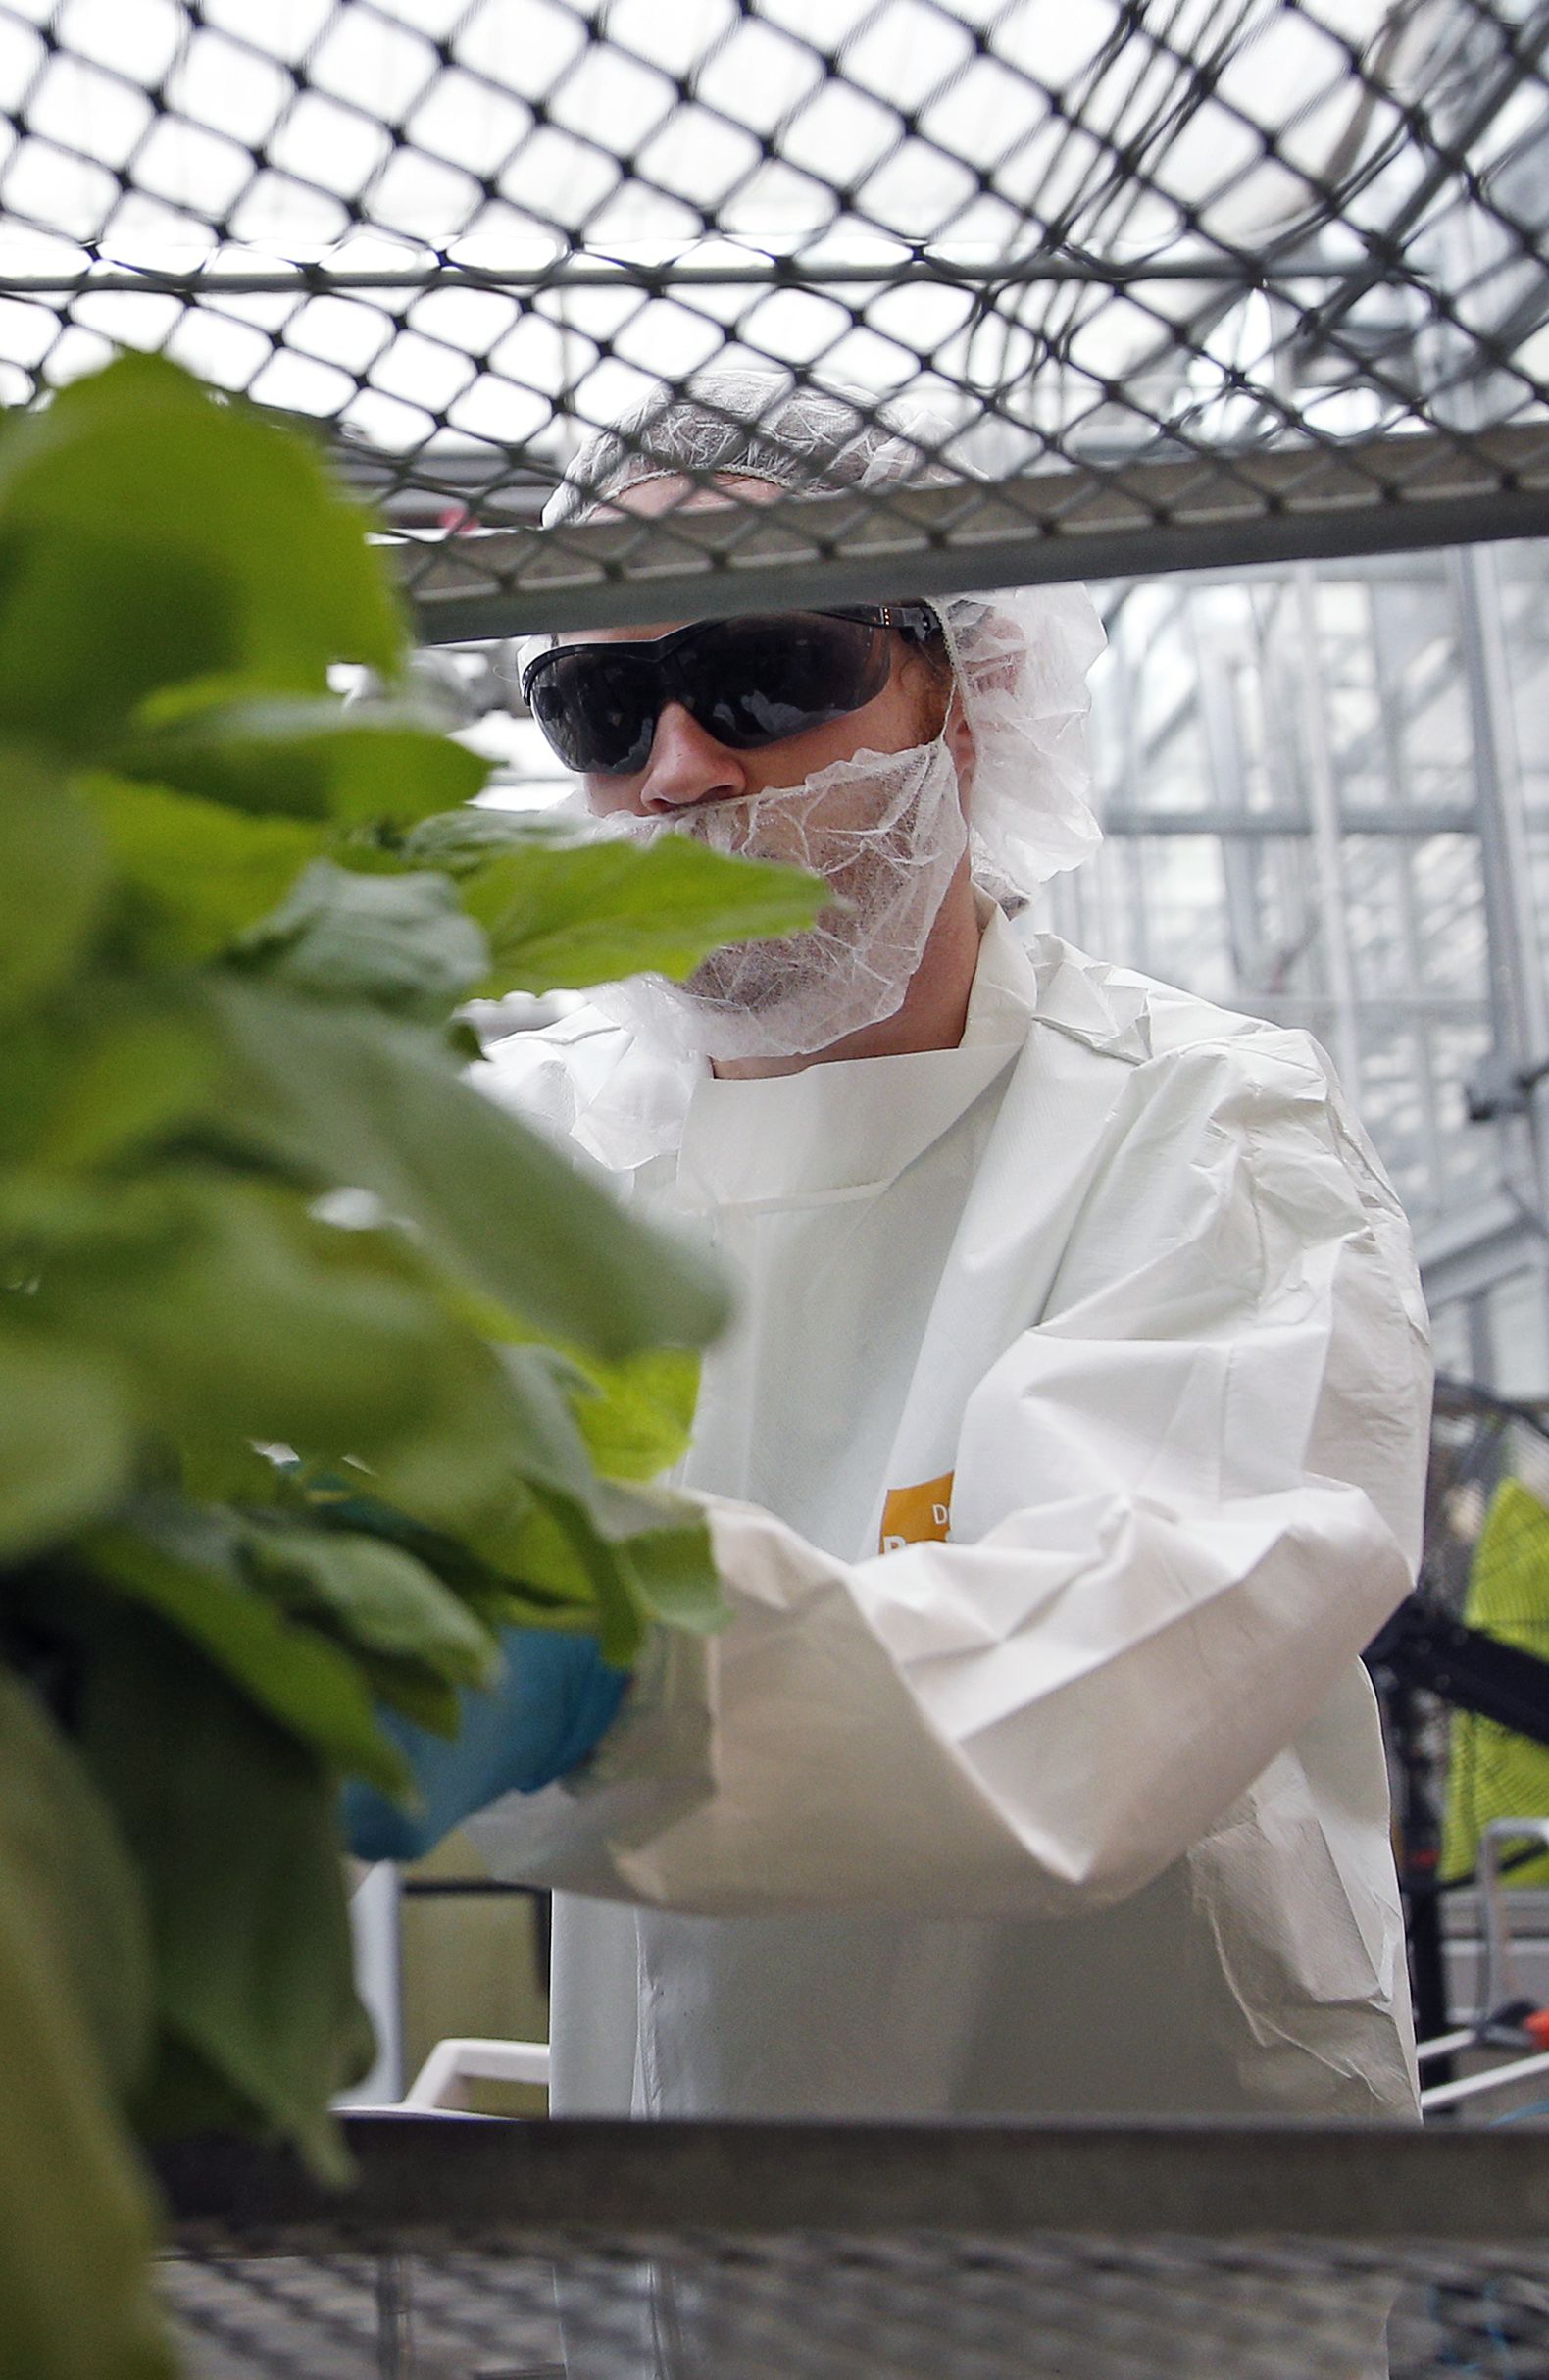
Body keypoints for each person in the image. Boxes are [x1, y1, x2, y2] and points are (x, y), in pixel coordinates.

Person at [347, 375, 1433, 2123]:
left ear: (972, 701)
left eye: (765, 673)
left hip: (1129, 2255)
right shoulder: (517, 1156)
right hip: (671, 2242)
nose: (682, 767)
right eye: (605, 709)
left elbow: (1106, 1685)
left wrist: (598, 1683)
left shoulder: (1207, 1135)